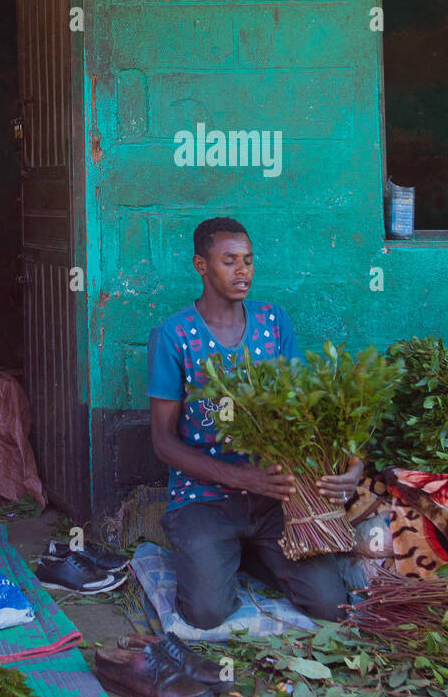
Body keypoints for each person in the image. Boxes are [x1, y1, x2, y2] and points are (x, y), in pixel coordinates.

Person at [148, 217, 358, 631]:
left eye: (247, 260)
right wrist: (241, 477)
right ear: (201, 265)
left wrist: (353, 466)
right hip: (204, 498)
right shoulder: (174, 335)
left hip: (274, 497)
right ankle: (221, 553)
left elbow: (306, 411)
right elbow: (162, 442)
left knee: (331, 606)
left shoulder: (273, 322)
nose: (242, 270)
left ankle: (247, 554)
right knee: (206, 612)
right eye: (229, 261)